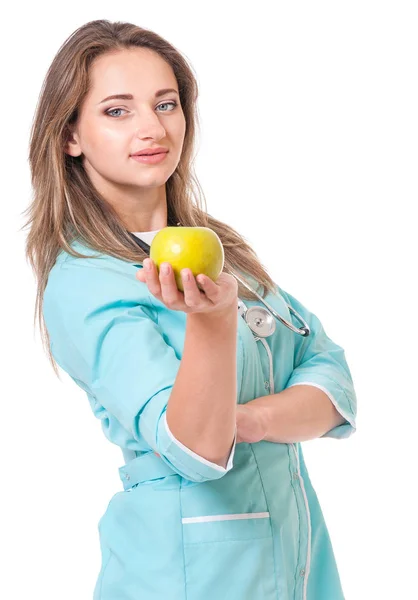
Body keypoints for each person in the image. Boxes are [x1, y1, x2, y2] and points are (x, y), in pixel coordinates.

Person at [23, 19, 357, 600]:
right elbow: (196, 449)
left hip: (298, 565)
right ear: (70, 135)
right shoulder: (83, 283)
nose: (153, 128)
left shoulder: (220, 248)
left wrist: (250, 421)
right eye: (117, 111)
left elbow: (332, 380)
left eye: (166, 104)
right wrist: (211, 321)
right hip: (181, 578)